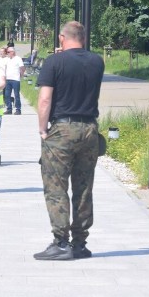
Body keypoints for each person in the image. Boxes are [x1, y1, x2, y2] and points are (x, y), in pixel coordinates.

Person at [34, 21, 104, 261]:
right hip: (90, 129)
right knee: (84, 187)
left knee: (56, 186)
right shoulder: (97, 61)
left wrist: (42, 130)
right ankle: (80, 243)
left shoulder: (54, 62)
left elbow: (45, 99)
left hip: (63, 129)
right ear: (83, 38)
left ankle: (61, 242)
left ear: (62, 37)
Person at [2, 46, 25, 114]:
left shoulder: (18, 58)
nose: (7, 53)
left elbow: (22, 68)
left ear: (13, 52)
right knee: (7, 95)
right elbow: (5, 67)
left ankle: (18, 109)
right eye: (7, 52)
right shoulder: (7, 59)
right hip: (8, 79)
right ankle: (9, 108)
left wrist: (21, 74)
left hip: (15, 79)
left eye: (8, 52)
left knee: (16, 94)